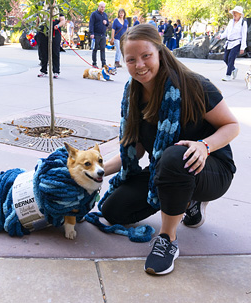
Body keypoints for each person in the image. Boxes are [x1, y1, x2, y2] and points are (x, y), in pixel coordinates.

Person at [100, 24, 239, 275]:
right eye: (131, 60)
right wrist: (93, 171)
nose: (139, 65)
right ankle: (186, 202)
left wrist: (204, 146)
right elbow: (137, 149)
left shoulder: (194, 85)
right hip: (166, 170)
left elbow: (231, 125)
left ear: (160, 53)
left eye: (146, 56)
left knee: (175, 155)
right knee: (113, 210)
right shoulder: (132, 95)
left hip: (211, 169)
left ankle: (168, 239)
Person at [217, 6, 247, 81]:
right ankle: (233, 69)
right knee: (225, 58)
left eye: (235, 13)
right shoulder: (231, 22)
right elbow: (226, 32)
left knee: (231, 58)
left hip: (237, 43)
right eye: (233, 13)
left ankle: (228, 75)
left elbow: (244, 35)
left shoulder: (243, 23)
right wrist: (220, 36)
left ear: (240, 14)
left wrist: (242, 47)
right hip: (229, 42)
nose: (234, 14)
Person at [36, 1, 65, 79]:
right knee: (43, 52)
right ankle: (43, 70)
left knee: (55, 52)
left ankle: (56, 71)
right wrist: (36, 29)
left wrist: (58, 25)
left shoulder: (58, 8)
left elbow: (63, 20)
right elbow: (38, 20)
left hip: (55, 33)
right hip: (43, 32)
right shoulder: (42, 8)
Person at [89, 1, 109, 68]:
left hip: (103, 35)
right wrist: (91, 33)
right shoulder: (94, 14)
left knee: (103, 49)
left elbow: (107, 24)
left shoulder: (105, 15)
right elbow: (91, 24)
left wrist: (106, 22)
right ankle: (94, 63)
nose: (103, 8)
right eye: (101, 7)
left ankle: (104, 63)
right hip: (96, 34)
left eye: (104, 7)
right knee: (95, 49)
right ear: (98, 7)